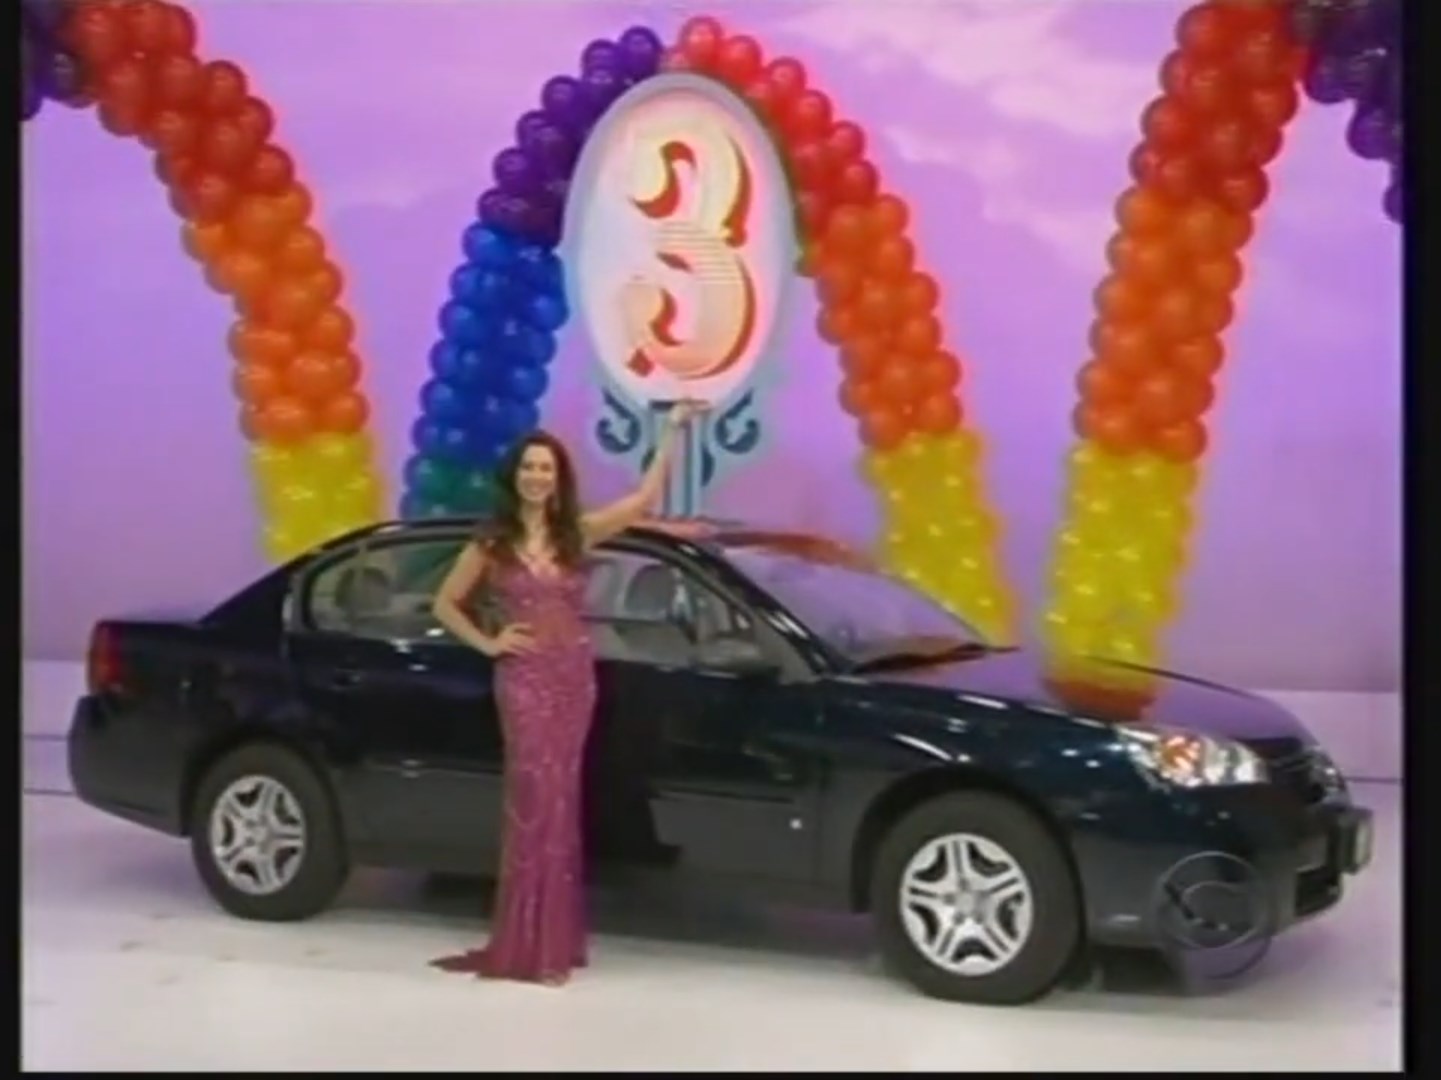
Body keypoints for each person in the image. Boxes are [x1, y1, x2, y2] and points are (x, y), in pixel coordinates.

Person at [427, 400, 706, 986]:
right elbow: (445, 603)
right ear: (515, 476)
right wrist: (488, 641)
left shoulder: (576, 532)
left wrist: (672, 430)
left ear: (558, 479)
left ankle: (553, 940)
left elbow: (641, 501)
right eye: (528, 467)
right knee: (532, 801)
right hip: (524, 679)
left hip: (573, 679)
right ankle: (523, 940)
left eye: (546, 469)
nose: (536, 477)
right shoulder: (493, 541)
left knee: (562, 804)